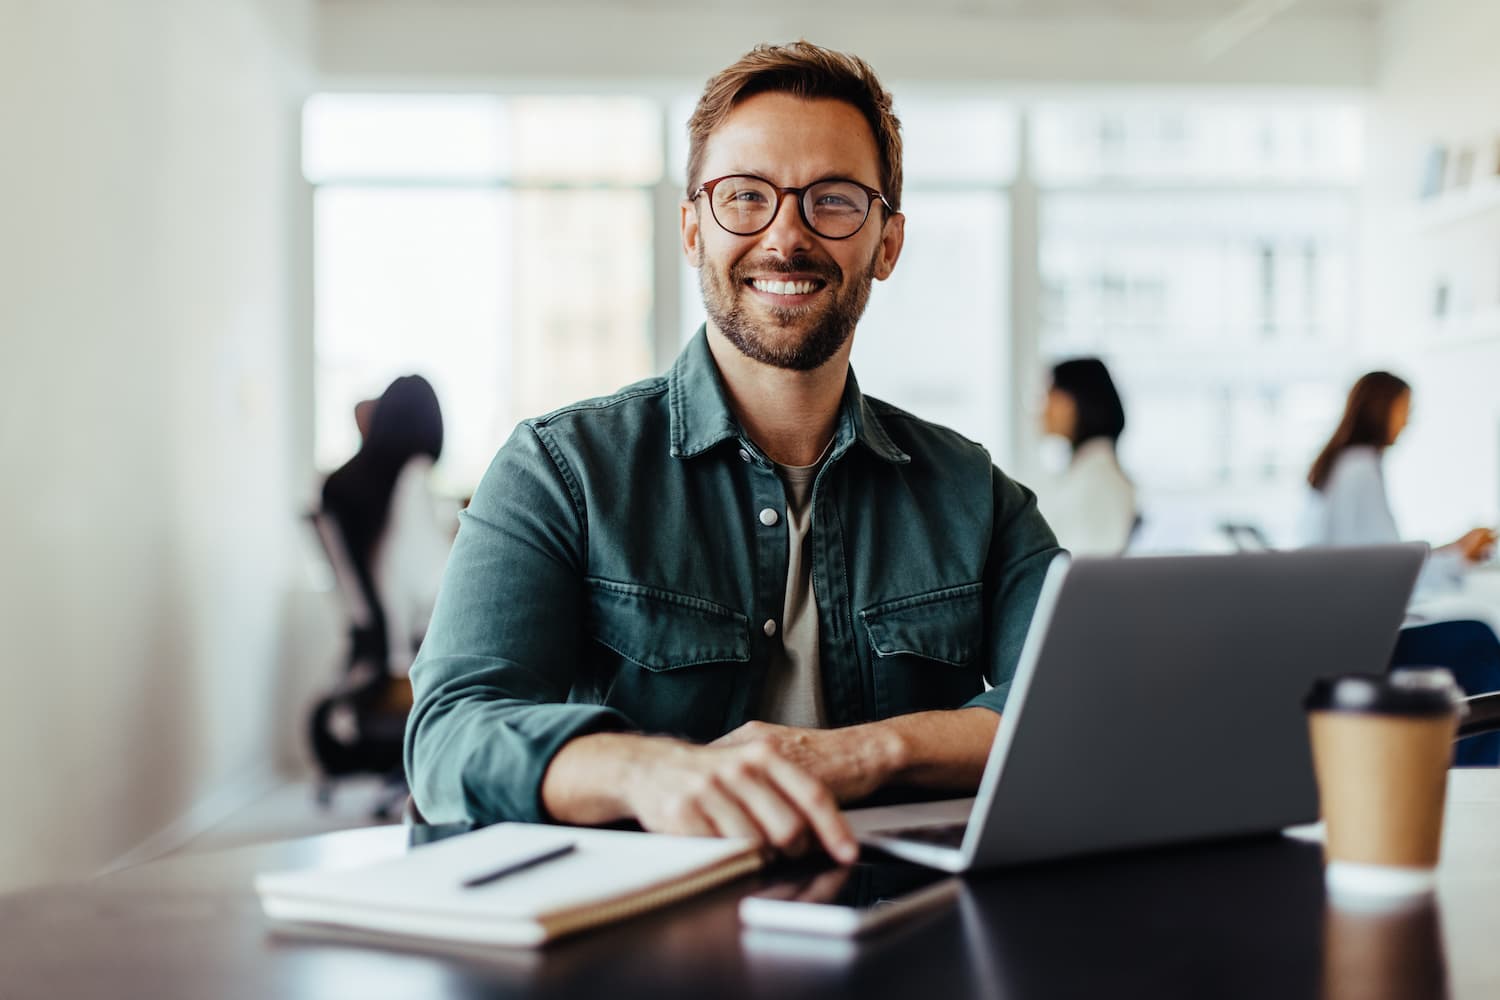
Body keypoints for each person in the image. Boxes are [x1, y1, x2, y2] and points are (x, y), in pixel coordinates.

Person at [404, 42, 1061, 863]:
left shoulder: (977, 496)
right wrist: (648, 771)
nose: (786, 237)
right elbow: (450, 735)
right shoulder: (560, 470)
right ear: (691, 229)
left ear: (886, 243)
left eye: (833, 201)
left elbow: (1074, 709)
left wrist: (862, 751)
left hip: (904, 931)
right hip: (638, 945)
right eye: (745, 196)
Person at [1302, 371, 1494, 591]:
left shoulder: (1345, 464)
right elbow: (1389, 569)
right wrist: (1459, 557)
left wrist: (1456, 548)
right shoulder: (1360, 469)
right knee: (1478, 624)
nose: (1407, 422)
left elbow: (1382, 555)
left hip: (1344, 603)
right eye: (1404, 410)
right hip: (1359, 609)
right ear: (1381, 408)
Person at [321, 374, 451, 678]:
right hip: (410, 658)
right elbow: (433, 585)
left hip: (371, 655)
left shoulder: (347, 485)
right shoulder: (413, 479)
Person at [1036, 358, 1136, 555]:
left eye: (1050, 395)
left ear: (1074, 402)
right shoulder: (1086, 470)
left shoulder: (1099, 480)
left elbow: (1081, 566)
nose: (1042, 409)